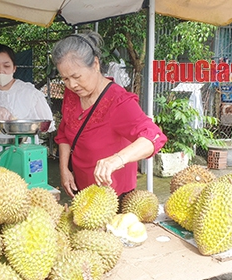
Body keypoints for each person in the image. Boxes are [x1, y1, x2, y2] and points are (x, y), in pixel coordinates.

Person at [51, 31, 167, 200]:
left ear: (95, 64)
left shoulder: (119, 102)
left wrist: (117, 159)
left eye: (76, 77)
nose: (72, 85)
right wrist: (64, 170)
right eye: (65, 79)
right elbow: (64, 134)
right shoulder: (72, 94)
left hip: (114, 195)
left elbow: (154, 137)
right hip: (83, 191)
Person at [0, 44, 55, 165]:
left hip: (24, 159)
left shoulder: (30, 94)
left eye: (6, 66)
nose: (1, 71)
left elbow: (46, 126)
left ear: (14, 68)